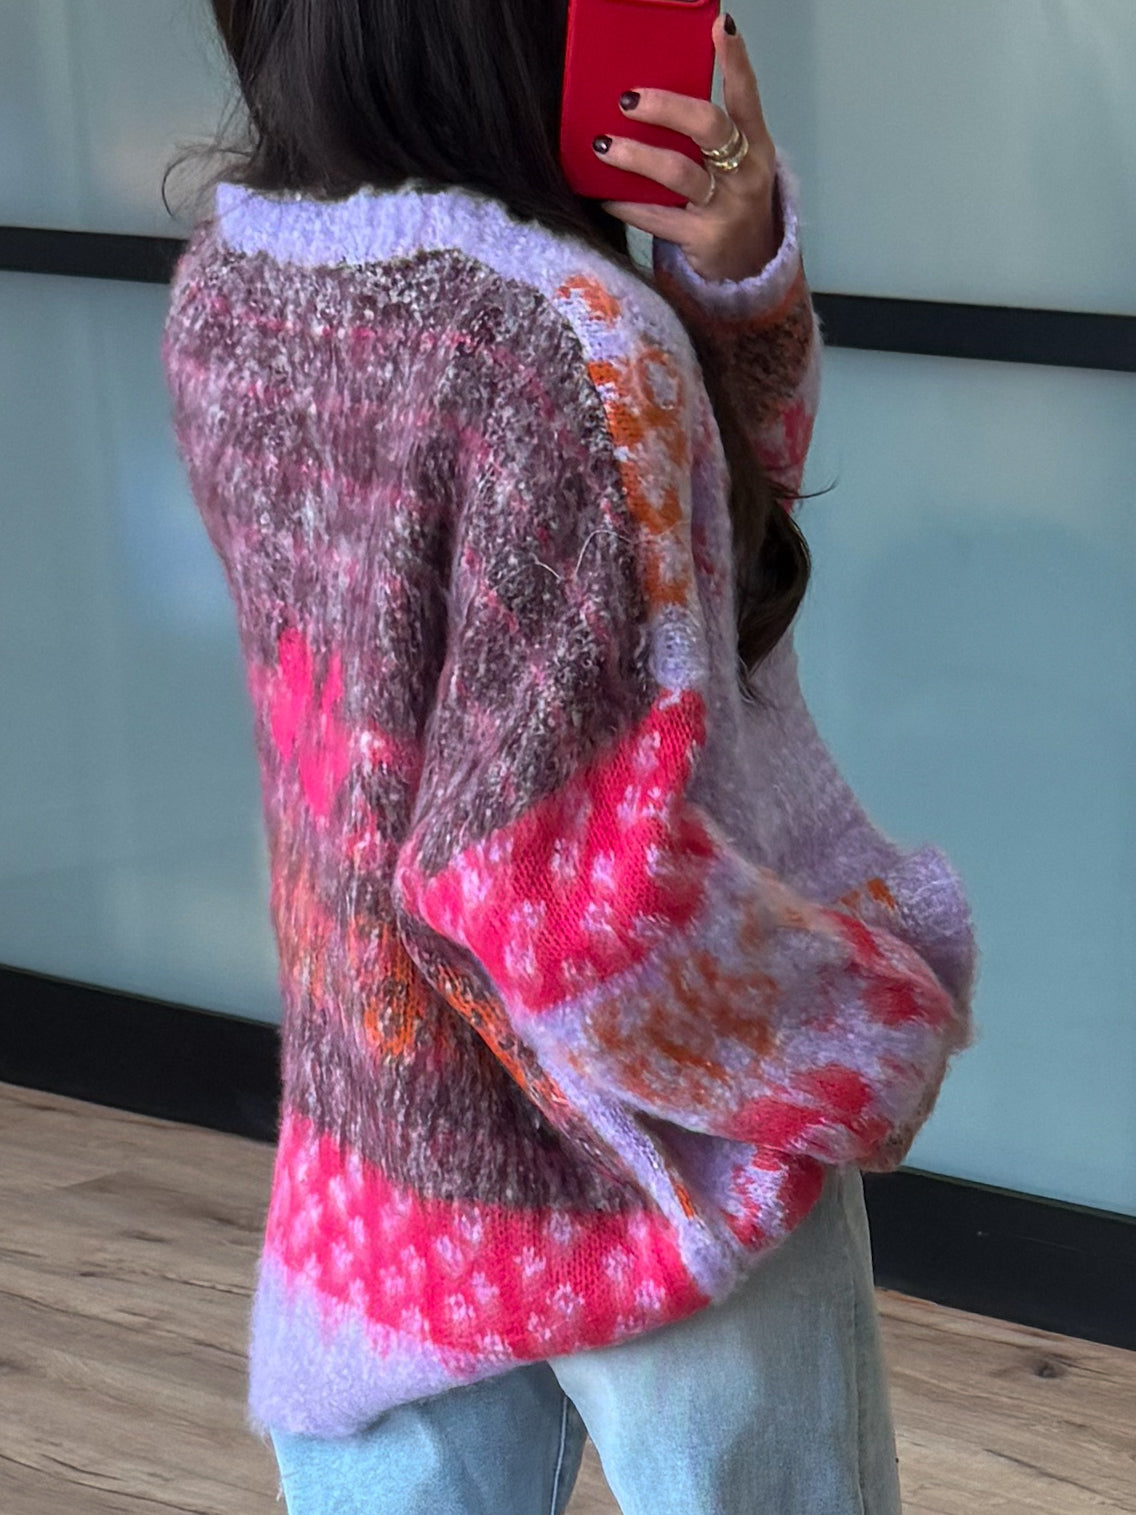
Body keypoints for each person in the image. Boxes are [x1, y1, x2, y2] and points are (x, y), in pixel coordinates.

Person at [162, 3, 979, 1511]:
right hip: (666, 1149)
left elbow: (669, 559)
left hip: (385, 1160)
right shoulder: (572, 342)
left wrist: (723, 279)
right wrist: (874, 1021)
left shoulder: (229, 294)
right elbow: (551, 882)